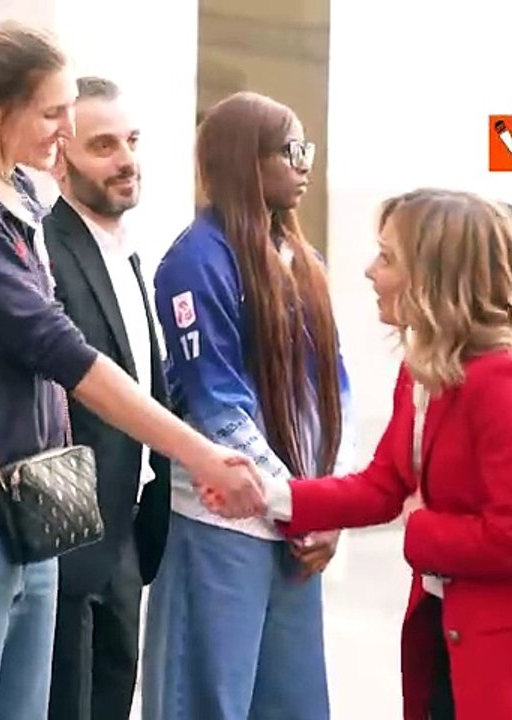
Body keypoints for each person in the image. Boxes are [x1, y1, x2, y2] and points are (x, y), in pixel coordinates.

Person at [0, 13, 262, 720]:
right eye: (53, 113)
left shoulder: (13, 201)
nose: (64, 128)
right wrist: (200, 455)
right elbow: (64, 353)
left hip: (30, 517)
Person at [257, 189, 512, 719]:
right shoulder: (423, 370)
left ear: (433, 275)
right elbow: (383, 484)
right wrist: (267, 495)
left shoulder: (509, 380)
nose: (368, 271)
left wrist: (420, 529)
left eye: (386, 257)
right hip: (456, 635)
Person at [141, 90, 352, 720]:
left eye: (306, 149)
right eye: (292, 150)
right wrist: (301, 504)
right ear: (244, 161)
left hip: (295, 526)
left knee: (293, 702)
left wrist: (328, 503)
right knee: (208, 700)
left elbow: (332, 388)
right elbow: (215, 403)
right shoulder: (195, 261)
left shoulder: (304, 262)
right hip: (223, 523)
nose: (305, 164)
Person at [43, 76, 170, 720]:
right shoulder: (46, 252)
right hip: (71, 536)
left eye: (132, 140)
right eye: (103, 145)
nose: (126, 159)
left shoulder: (129, 256)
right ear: (59, 157)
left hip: (128, 528)